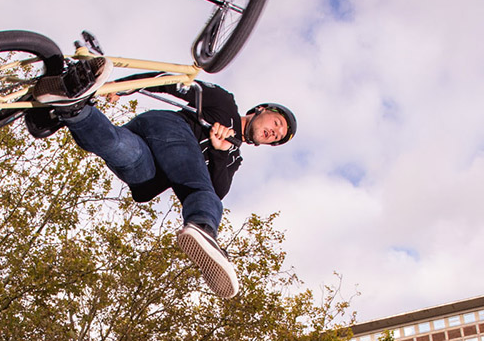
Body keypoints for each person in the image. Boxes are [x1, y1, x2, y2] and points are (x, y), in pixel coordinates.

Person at [25, 57, 295, 299]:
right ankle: (203, 226)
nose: (274, 133)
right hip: (167, 129)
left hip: (150, 171)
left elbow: (219, 190)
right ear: (261, 110)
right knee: (197, 188)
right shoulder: (225, 104)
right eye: (277, 124)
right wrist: (126, 84)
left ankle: (72, 108)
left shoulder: (233, 157)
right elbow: (175, 83)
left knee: (118, 146)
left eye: (278, 138)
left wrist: (220, 151)